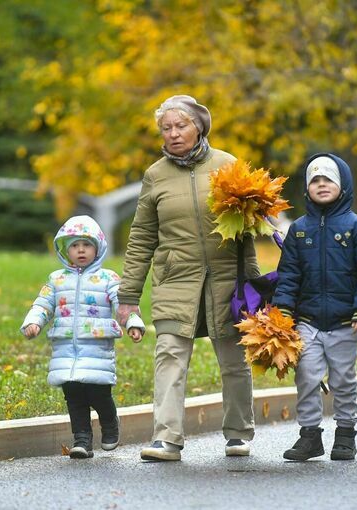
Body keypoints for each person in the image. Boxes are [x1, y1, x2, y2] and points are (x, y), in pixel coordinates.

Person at [117, 94, 260, 461]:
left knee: (233, 360)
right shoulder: (155, 175)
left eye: (181, 125)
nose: (174, 133)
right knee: (169, 355)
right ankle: (166, 438)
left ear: (199, 126)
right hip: (175, 278)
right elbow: (141, 237)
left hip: (227, 279)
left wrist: (255, 287)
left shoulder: (228, 165)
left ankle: (238, 433)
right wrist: (128, 294)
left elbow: (247, 232)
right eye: (166, 128)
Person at [272, 153, 357, 461]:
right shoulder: (299, 230)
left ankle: (346, 435)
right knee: (306, 377)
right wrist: (283, 311)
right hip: (307, 320)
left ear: (342, 185)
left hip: (345, 322)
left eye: (328, 179)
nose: (321, 185)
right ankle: (310, 437)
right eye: (314, 180)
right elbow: (288, 275)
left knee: (343, 381)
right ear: (307, 188)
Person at [21, 215, 145, 459]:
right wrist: (33, 322)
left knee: (98, 394)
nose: (80, 250)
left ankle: (110, 425)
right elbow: (43, 304)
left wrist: (132, 322)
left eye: (86, 245)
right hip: (66, 349)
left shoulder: (108, 279)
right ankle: (82, 440)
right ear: (65, 250)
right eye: (75, 246)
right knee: (74, 397)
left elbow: (123, 304)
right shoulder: (56, 280)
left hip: (96, 348)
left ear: (97, 248)